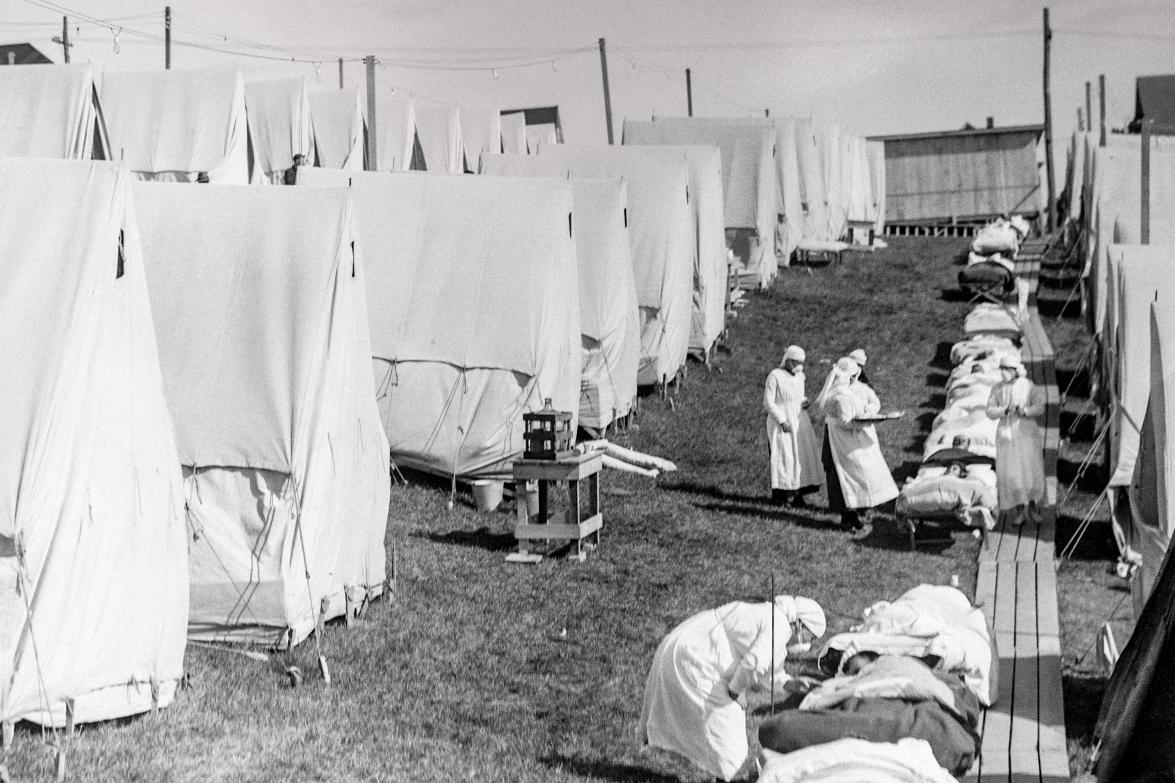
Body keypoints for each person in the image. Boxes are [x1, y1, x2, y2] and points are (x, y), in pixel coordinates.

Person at [637, 596, 827, 782]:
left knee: (723, 729)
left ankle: (720, 774)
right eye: (812, 636)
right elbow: (752, 663)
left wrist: (792, 683)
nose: (810, 643)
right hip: (697, 654)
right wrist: (736, 692)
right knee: (729, 736)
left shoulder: (774, 618)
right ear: (800, 625)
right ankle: (726, 775)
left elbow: (770, 673)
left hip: (691, 645)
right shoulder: (779, 624)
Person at [816, 358, 899, 531]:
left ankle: (854, 515)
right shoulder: (840, 395)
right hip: (841, 440)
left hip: (843, 437)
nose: (854, 379)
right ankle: (848, 517)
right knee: (845, 475)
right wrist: (866, 422)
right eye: (852, 376)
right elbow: (846, 421)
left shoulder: (840, 392)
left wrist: (867, 416)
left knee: (852, 474)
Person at [984, 356, 1045, 525]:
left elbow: (1039, 406)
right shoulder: (997, 389)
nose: (1004, 372)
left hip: (1026, 434)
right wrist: (1004, 410)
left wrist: (1025, 410)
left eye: (1006, 369)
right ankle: (1019, 511)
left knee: (1031, 471)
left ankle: (1033, 508)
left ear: (1015, 370)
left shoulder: (1028, 386)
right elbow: (989, 410)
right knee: (1012, 474)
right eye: (1001, 369)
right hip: (1006, 435)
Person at [764, 345, 822, 507]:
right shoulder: (775, 376)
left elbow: (797, 396)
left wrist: (804, 401)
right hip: (782, 421)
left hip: (799, 420)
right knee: (784, 457)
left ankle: (798, 495)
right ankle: (780, 496)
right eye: (796, 362)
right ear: (788, 360)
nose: (799, 366)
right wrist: (781, 420)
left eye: (801, 363)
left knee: (801, 457)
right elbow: (768, 402)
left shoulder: (800, 377)